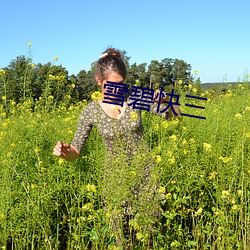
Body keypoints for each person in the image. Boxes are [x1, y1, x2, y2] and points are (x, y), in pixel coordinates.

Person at [53, 48, 181, 247]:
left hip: (146, 176)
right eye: (110, 85)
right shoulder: (91, 111)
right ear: (99, 81)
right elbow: (75, 151)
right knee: (121, 238)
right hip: (116, 181)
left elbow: (175, 117)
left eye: (120, 84)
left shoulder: (135, 97)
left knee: (150, 236)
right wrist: (65, 152)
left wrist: (168, 101)